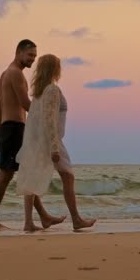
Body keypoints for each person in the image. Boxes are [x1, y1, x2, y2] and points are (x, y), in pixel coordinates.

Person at [0, 40, 65, 233]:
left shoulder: (6, 73)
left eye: (35, 57)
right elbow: (25, 104)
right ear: (19, 52)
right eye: (30, 55)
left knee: (26, 173)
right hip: (14, 128)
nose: (32, 60)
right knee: (5, 174)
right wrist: (46, 117)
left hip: (8, 128)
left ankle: (43, 216)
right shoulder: (16, 74)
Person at [16, 54, 97, 232]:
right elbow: (49, 120)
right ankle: (76, 219)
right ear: (55, 69)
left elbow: (35, 120)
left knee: (32, 178)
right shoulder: (52, 90)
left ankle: (29, 223)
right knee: (68, 176)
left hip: (38, 140)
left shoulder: (38, 91)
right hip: (51, 140)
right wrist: (54, 147)